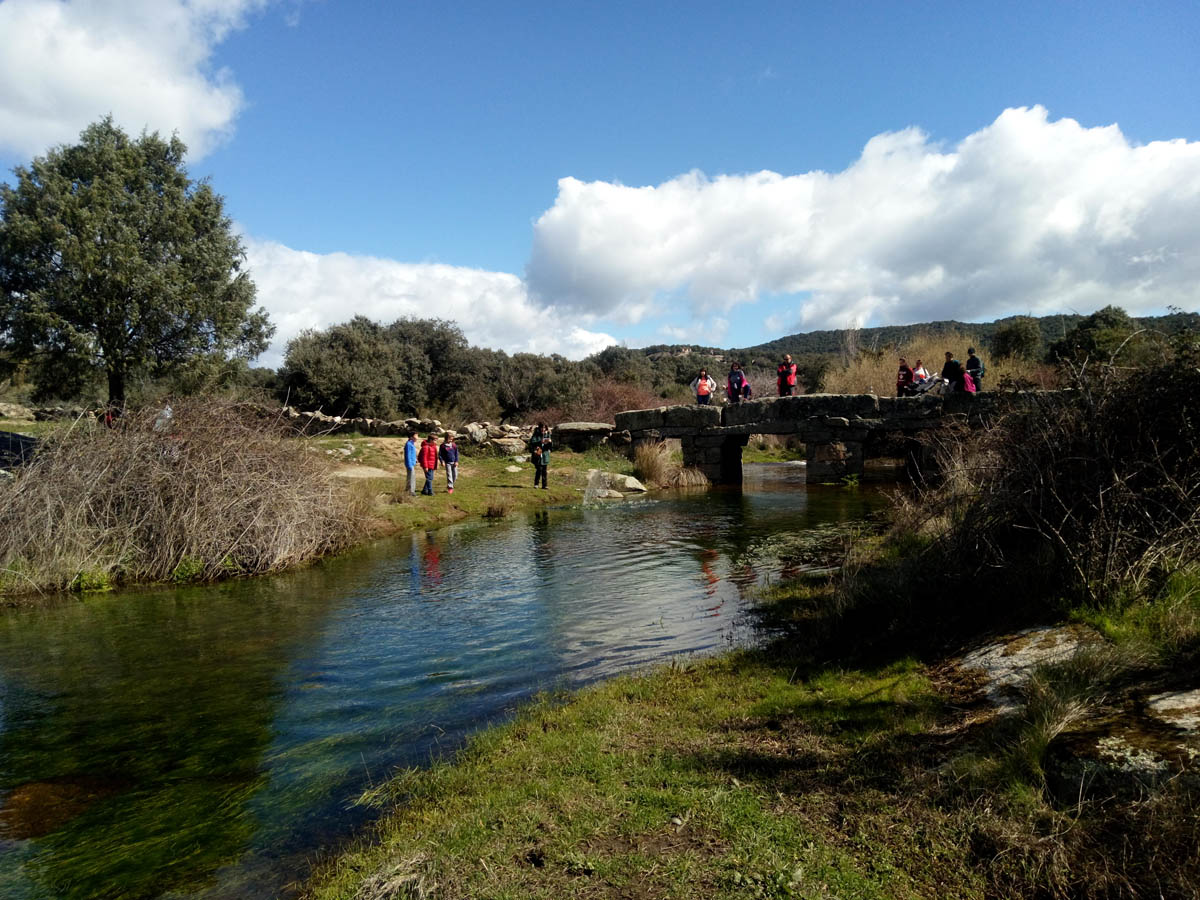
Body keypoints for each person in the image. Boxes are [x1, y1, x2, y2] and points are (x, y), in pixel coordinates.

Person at [529, 422, 551, 489]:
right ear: (539, 427)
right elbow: (532, 443)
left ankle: (545, 485)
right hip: (538, 454)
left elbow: (550, 446)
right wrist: (540, 442)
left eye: (544, 427)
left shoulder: (547, 434)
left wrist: (550, 442)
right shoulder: (536, 435)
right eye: (542, 427)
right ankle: (536, 484)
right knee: (539, 469)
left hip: (545, 455)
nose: (543, 429)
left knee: (544, 470)